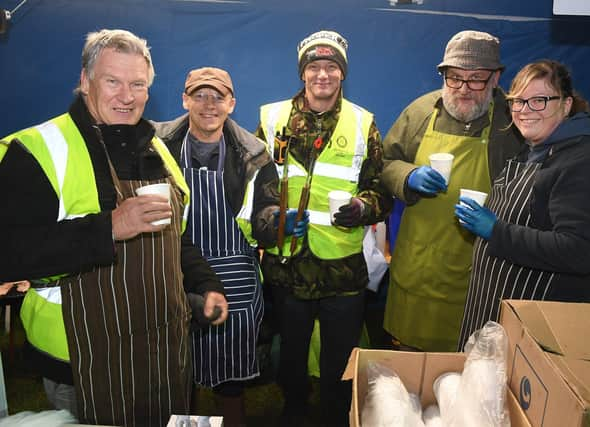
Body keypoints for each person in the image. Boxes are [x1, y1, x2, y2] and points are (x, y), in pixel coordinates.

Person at [0, 29, 228, 426]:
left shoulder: (155, 148)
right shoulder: (36, 150)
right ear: (86, 81)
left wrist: (206, 284)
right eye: (113, 82)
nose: (127, 96)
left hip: (161, 350)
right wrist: (108, 228)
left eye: (138, 84)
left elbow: (176, 235)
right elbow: (9, 251)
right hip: (82, 359)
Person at [153, 67, 307, 427]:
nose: (208, 104)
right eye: (200, 95)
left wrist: (278, 224)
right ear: (185, 100)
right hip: (173, 264)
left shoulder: (254, 154)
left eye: (217, 96)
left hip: (234, 271)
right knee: (178, 368)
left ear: (231, 103)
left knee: (231, 380)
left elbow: (265, 210)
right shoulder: (158, 145)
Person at [256, 30, 393, 426]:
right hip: (288, 266)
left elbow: (381, 190)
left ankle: (335, 416)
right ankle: (294, 411)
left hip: (342, 267)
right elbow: (253, 183)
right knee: (292, 356)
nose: (322, 75)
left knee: (339, 360)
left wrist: (362, 207)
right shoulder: (271, 118)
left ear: (342, 73)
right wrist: (270, 220)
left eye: (331, 66)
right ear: (302, 73)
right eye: (314, 66)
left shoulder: (363, 123)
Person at [455, 59, 590, 347]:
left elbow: (579, 251)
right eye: (518, 101)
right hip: (497, 319)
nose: (524, 111)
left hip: (538, 332)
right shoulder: (536, 151)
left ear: (567, 104)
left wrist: (496, 231)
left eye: (539, 100)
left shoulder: (588, 163)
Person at [381, 30, 524, 352]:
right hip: (419, 262)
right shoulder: (419, 112)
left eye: (476, 80)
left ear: (496, 77)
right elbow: (385, 162)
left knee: (471, 362)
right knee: (409, 365)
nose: (463, 89)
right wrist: (408, 176)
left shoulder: (513, 121)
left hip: (481, 268)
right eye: (454, 78)